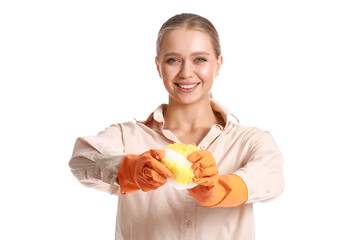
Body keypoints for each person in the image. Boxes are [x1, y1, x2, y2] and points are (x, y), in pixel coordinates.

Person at [69, 13, 284, 240]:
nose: (186, 73)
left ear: (218, 64)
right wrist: (130, 170)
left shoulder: (249, 141)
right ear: (158, 66)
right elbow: (81, 158)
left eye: (199, 59)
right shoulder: (128, 137)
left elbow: (272, 178)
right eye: (173, 60)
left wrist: (219, 189)